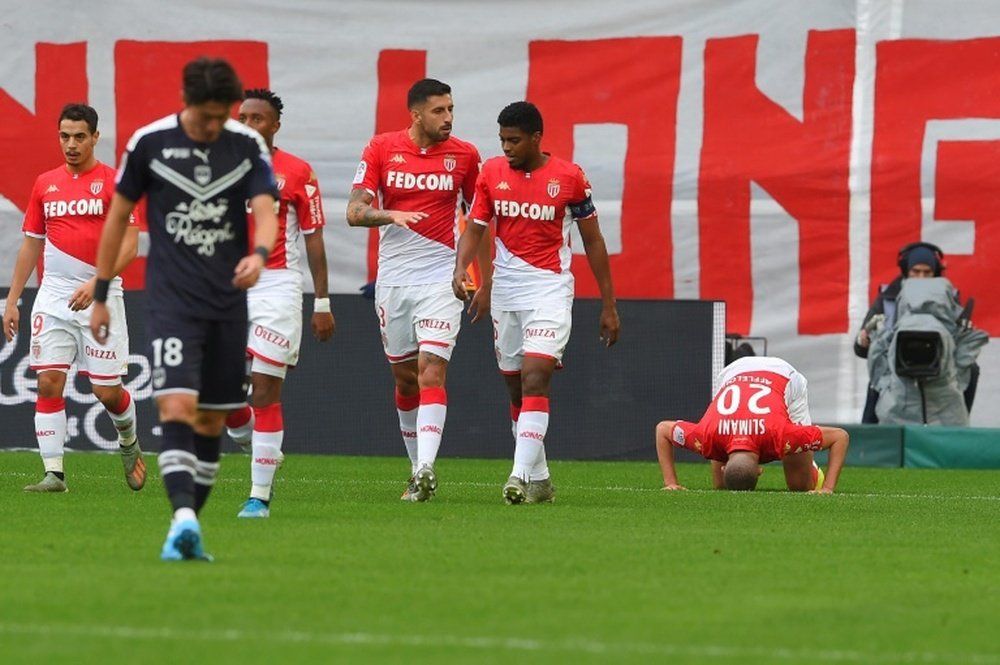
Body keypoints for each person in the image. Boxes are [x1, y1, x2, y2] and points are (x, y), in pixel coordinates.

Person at [89, 57, 279, 561]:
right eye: (206, 117)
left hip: (227, 302)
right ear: (186, 103)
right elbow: (119, 217)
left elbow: (265, 210)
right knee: (176, 407)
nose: (214, 126)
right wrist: (103, 293)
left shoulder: (246, 145)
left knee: (214, 421)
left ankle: (186, 527)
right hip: (173, 300)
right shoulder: (149, 144)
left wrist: (259, 255)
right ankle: (182, 519)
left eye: (222, 116)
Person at [452, 100, 620, 505]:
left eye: (514, 140)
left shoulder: (570, 178)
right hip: (507, 290)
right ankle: (541, 479)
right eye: (502, 140)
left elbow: (593, 241)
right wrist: (464, 270)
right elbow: (475, 229)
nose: (507, 147)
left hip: (549, 288)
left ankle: (517, 476)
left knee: (535, 377)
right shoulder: (491, 174)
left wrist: (608, 304)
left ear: (536, 138)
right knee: (515, 389)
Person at [347, 78, 488, 502]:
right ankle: (415, 469)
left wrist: (473, 274)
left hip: (441, 277)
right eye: (438, 111)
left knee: (432, 368)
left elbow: (478, 220)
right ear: (416, 114)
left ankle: (426, 468)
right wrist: (388, 215)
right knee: (405, 378)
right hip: (394, 279)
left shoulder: (465, 156)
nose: (448, 118)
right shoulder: (381, 149)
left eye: (451, 109)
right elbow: (354, 212)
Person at [3, 103, 145, 494]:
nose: (71, 144)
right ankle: (54, 474)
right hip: (53, 298)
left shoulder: (116, 181)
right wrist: (13, 299)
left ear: (96, 137)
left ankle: (129, 438)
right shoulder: (44, 183)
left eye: (80, 136)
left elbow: (131, 246)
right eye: (65, 136)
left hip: (100, 297)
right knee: (49, 381)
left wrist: (97, 283)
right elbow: (31, 245)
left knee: (106, 391)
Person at [223, 88, 336, 519]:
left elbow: (314, 239)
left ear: (275, 125)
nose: (250, 125)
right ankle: (261, 448)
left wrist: (322, 301)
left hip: (277, 285)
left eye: (259, 119)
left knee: (266, 389)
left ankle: (258, 496)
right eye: (244, 117)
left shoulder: (297, 172)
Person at [655, 356, 849, 493]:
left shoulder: (780, 436)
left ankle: (813, 468)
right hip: (732, 374)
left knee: (800, 485)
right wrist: (670, 482)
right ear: (759, 470)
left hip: (784, 377)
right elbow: (663, 430)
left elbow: (662, 429)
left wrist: (826, 488)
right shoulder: (707, 437)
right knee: (722, 487)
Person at [855, 242, 979, 422]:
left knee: (971, 369)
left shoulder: (948, 299)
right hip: (895, 369)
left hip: (941, 370)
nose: (921, 277)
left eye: (927, 272)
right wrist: (864, 341)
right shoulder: (887, 298)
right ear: (906, 270)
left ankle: (958, 426)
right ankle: (870, 436)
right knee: (879, 375)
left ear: (936, 272)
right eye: (916, 271)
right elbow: (860, 348)